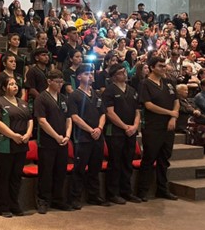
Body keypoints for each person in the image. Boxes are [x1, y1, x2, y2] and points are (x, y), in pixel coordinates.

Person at [0, 76, 33, 217]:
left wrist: (28, 134)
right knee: (4, 176)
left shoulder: (23, 103)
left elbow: (30, 119)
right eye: (11, 84)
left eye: (16, 84)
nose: (15, 86)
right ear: (3, 87)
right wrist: (13, 135)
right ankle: (2, 206)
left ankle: (14, 204)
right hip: (3, 145)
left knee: (16, 176)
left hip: (21, 144)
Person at [137, 57, 179, 201]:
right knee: (149, 159)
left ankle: (162, 189)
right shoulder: (145, 84)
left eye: (164, 66)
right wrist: (169, 113)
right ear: (152, 67)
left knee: (164, 159)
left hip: (169, 126)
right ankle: (142, 190)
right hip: (153, 127)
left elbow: (176, 101)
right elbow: (148, 105)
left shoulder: (169, 83)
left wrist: (173, 117)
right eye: (160, 66)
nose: (164, 68)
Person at [67, 64, 108, 208]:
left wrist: (99, 128)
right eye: (86, 74)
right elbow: (74, 116)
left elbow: (103, 113)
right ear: (79, 77)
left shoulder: (97, 94)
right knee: (79, 168)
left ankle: (94, 195)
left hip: (97, 136)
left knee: (95, 168)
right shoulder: (74, 95)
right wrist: (91, 130)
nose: (90, 76)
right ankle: (75, 198)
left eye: (91, 73)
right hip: (82, 137)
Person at [102, 64, 142, 203]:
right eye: (120, 73)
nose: (124, 74)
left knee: (127, 162)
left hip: (131, 132)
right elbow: (110, 113)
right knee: (115, 162)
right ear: (113, 76)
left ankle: (126, 191)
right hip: (116, 132)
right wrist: (125, 127)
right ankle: (112, 193)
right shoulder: (109, 91)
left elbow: (137, 111)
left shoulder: (132, 90)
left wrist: (135, 126)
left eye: (124, 72)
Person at [34, 69, 72, 213]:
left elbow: (69, 118)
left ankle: (58, 199)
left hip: (63, 141)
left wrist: (67, 135)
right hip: (47, 142)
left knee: (60, 171)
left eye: (61, 82)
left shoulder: (63, 98)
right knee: (46, 172)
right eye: (57, 82)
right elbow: (42, 121)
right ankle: (43, 200)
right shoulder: (42, 98)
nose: (60, 84)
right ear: (49, 81)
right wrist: (56, 136)